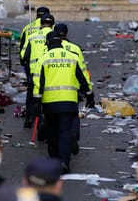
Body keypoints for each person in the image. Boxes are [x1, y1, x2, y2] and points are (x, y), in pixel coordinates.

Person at [32, 31, 95, 173]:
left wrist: (37, 101)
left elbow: (38, 82)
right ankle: (64, 163)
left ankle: (53, 161)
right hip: (69, 101)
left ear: (47, 43)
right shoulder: (72, 57)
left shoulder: (43, 58)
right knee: (65, 132)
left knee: (52, 132)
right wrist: (89, 94)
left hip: (50, 103)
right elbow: (82, 78)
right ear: (61, 42)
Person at [54, 23, 94, 154]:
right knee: (73, 114)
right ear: (66, 33)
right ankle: (73, 134)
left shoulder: (49, 48)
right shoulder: (75, 49)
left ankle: (57, 139)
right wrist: (88, 91)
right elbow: (82, 71)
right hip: (72, 88)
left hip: (51, 90)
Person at [20, 14, 55, 129]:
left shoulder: (33, 36)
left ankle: (31, 117)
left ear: (40, 24)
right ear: (52, 24)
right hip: (50, 70)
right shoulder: (54, 37)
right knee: (49, 94)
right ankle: (47, 120)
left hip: (34, 71)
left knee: (32, 95)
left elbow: (24, 54)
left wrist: (27, 64)